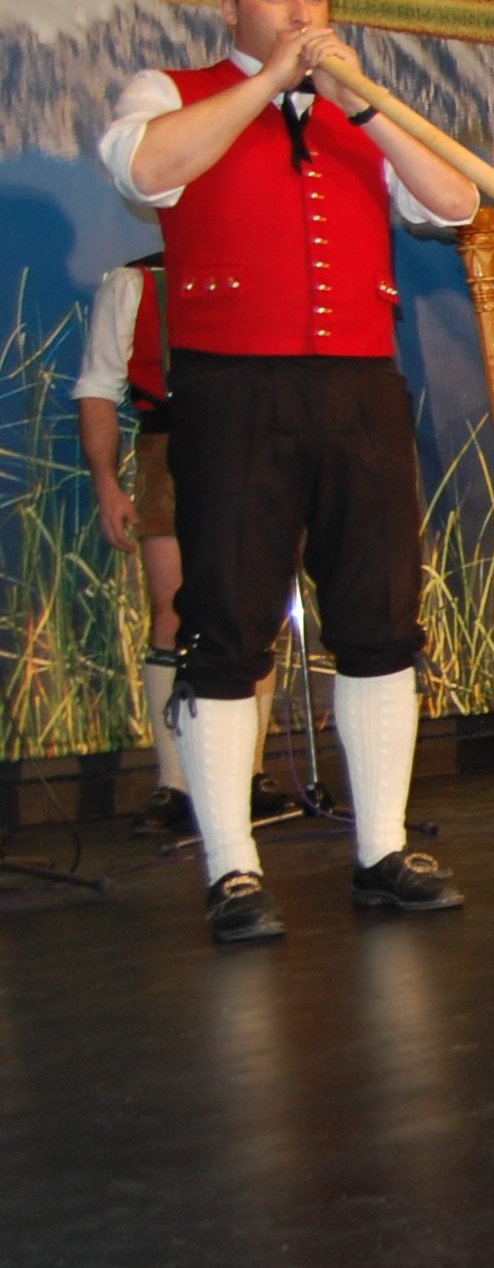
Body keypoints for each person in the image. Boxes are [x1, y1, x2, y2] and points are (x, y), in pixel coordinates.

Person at [97, 0, 481, 943]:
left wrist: (369, 108)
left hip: (359, 385)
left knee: (379, 617)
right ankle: (231, 867)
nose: (300, 14)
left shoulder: (364, 110)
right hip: (234, 391)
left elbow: (456, 203)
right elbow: (144, 171)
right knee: (227, 623)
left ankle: (382, 850)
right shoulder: (170, 92)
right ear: (229, 6)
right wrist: (268, 82)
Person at [71, 252, 293, 836]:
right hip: (168, 448)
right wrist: (107, 485)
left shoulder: (264, 263)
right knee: (172, 614)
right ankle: (176, 784)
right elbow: (98, 387)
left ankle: (249, 774)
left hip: (256, 446)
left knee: (251, 611)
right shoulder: (136, 283)